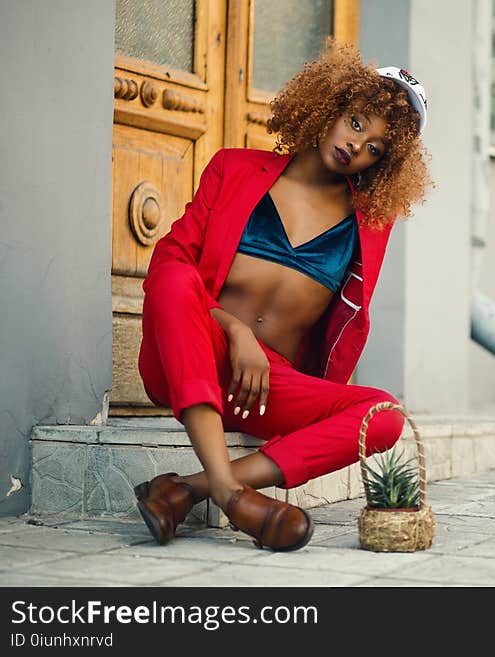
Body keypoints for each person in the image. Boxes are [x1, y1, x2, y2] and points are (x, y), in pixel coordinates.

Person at [134, 38, 432, 552]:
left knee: (383, 416)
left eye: (376, 147)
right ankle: (230, 494)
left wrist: (265, 357)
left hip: (267, 389)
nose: (356, 145)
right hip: (191, 358)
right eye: (357, 122)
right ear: (331, 105)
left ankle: (186, 490)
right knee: (175, 276)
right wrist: (235, 331)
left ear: (382, 163)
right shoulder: (234, 169)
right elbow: (169, 264)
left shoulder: (371, 225)